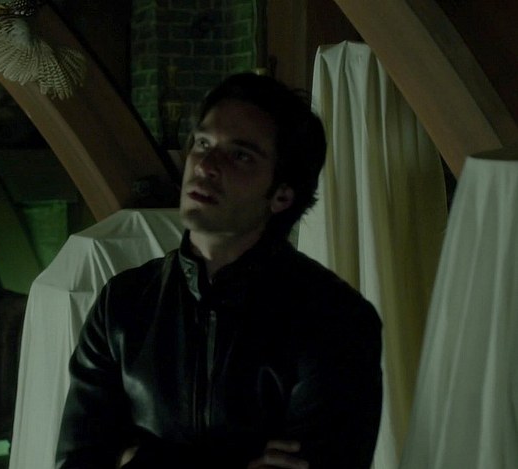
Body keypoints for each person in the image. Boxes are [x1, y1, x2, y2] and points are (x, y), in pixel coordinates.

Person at [55, 73, 383, 468]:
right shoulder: (123, 304)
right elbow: (79, 461)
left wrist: (137, 457)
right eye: (203, 143)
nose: (206, 165)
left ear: (281, 194)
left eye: (240, 155)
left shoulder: (335, 318)